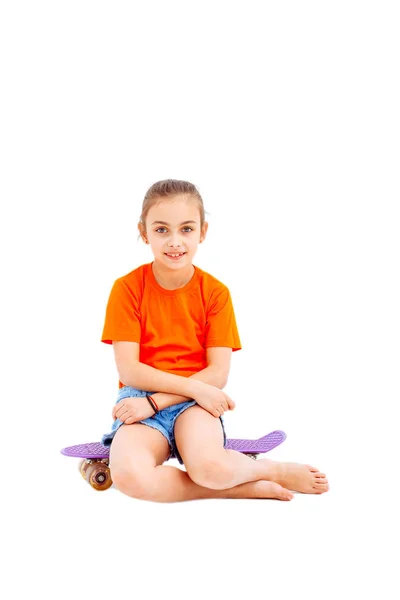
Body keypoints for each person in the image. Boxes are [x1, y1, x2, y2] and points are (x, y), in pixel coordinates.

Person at [100, 179, 329, 502]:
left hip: (194, 400)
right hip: (143, 399)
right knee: (127, 477)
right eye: (162, 230)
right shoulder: (127, 289)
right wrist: (153, 401)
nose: (175, 241)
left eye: (187, 229)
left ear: (203, 232)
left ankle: (269, 469)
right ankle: (244, 487)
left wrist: (162, 400)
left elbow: (217, 373)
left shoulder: (216, 293)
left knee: (210, 467)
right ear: (144, 232)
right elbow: (130, 368)